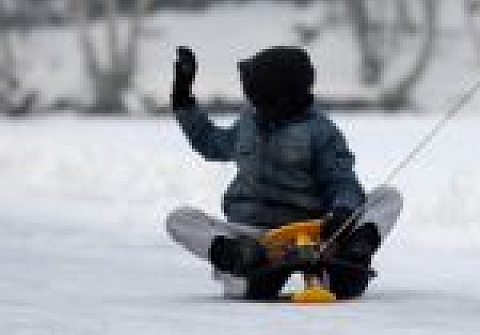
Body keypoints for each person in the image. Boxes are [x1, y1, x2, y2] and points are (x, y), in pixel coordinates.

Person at [165, 45, 402, 300]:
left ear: (275, 93)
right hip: (255, 237)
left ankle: (351, 257)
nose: (250, 98)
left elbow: (342, 182)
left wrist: (341, 214)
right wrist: (183, 95)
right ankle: (246, 264)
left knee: (387, 196)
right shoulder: (248, 123)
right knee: (179, 219)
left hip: (312, 235)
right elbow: (209, 142)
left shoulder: (320, 131)